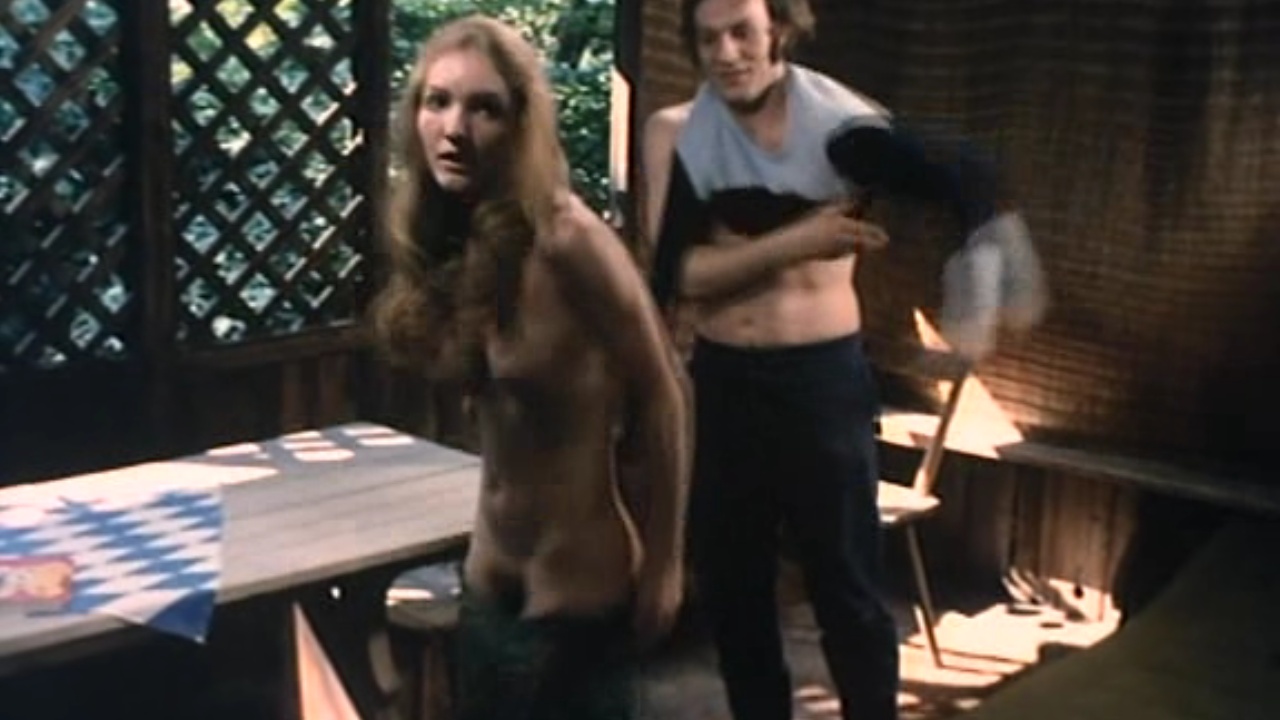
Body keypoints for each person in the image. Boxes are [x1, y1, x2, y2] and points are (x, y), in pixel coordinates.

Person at [370, 15, 691, 720]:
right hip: (487, 584)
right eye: (437, 101)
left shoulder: (569, 237)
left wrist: (666, 564)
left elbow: (665, 392)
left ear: (520, 124)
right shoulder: (452, 238)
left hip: (579, 596)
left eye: (483, 107)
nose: (455, 128)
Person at [641, 1, 901, 719]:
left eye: (742, 33)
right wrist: (798, 242)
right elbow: (683, 275)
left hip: (822, 380)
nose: (726, 53)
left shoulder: (849, 128)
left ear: (778, 31)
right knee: (735, 588)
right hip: (724, 379)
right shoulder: (672, 132)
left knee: (847, 585)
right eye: (708, 38)